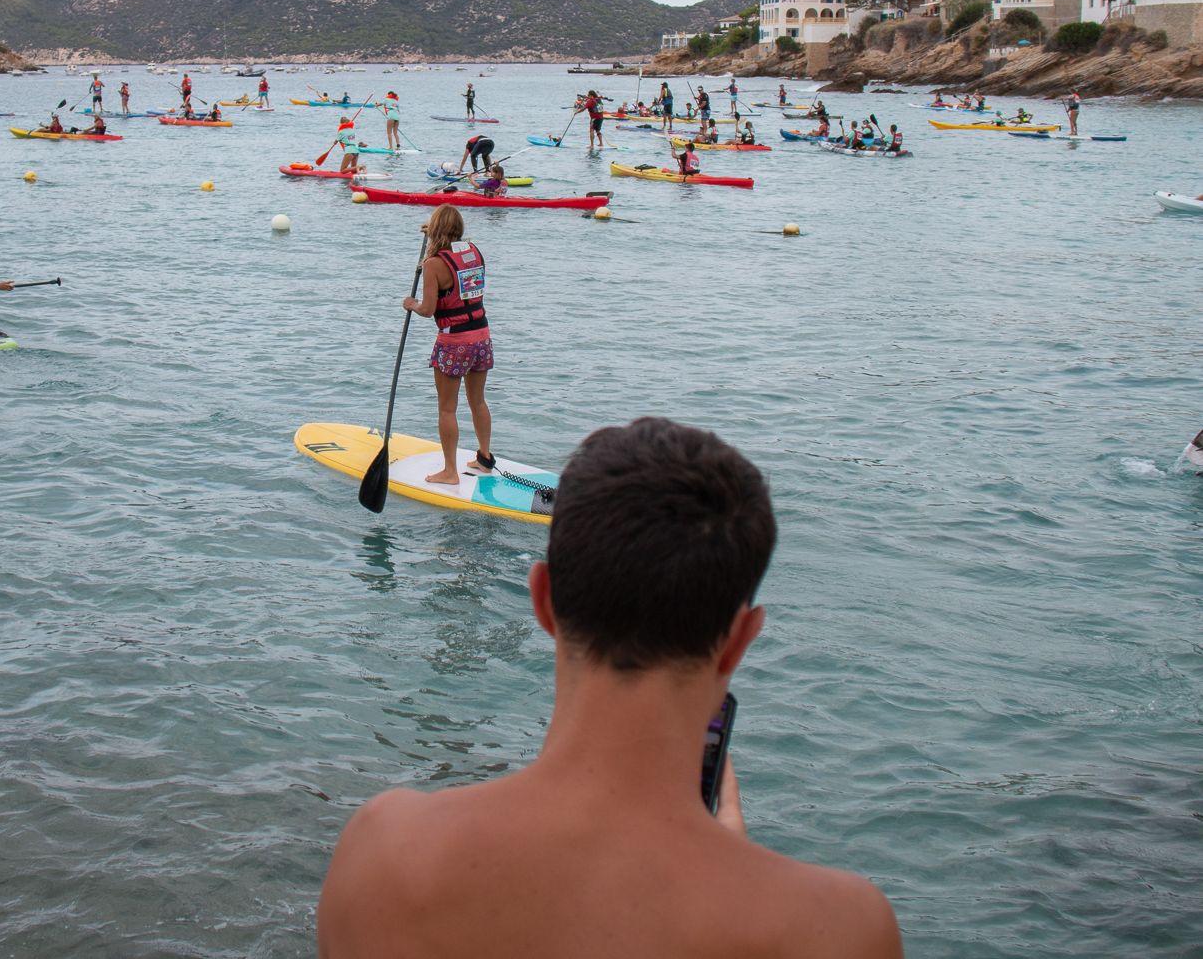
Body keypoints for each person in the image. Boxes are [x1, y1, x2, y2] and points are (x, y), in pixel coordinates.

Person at [317, 416, 904, 959]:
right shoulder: (842, 928)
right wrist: (733, 856)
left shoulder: (386, 853)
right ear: (740, 640)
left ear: (544, 600)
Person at [398, 206, 493, 486]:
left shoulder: (433, 265)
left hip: (454, 342)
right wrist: (436, 233)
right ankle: (485, 458)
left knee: (447, 409)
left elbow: (428, 309)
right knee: (478, 400)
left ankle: (450, 472)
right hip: (481, 335)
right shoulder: (473, 250)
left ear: (437, 230)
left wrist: (410, 304)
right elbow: (455, 263)